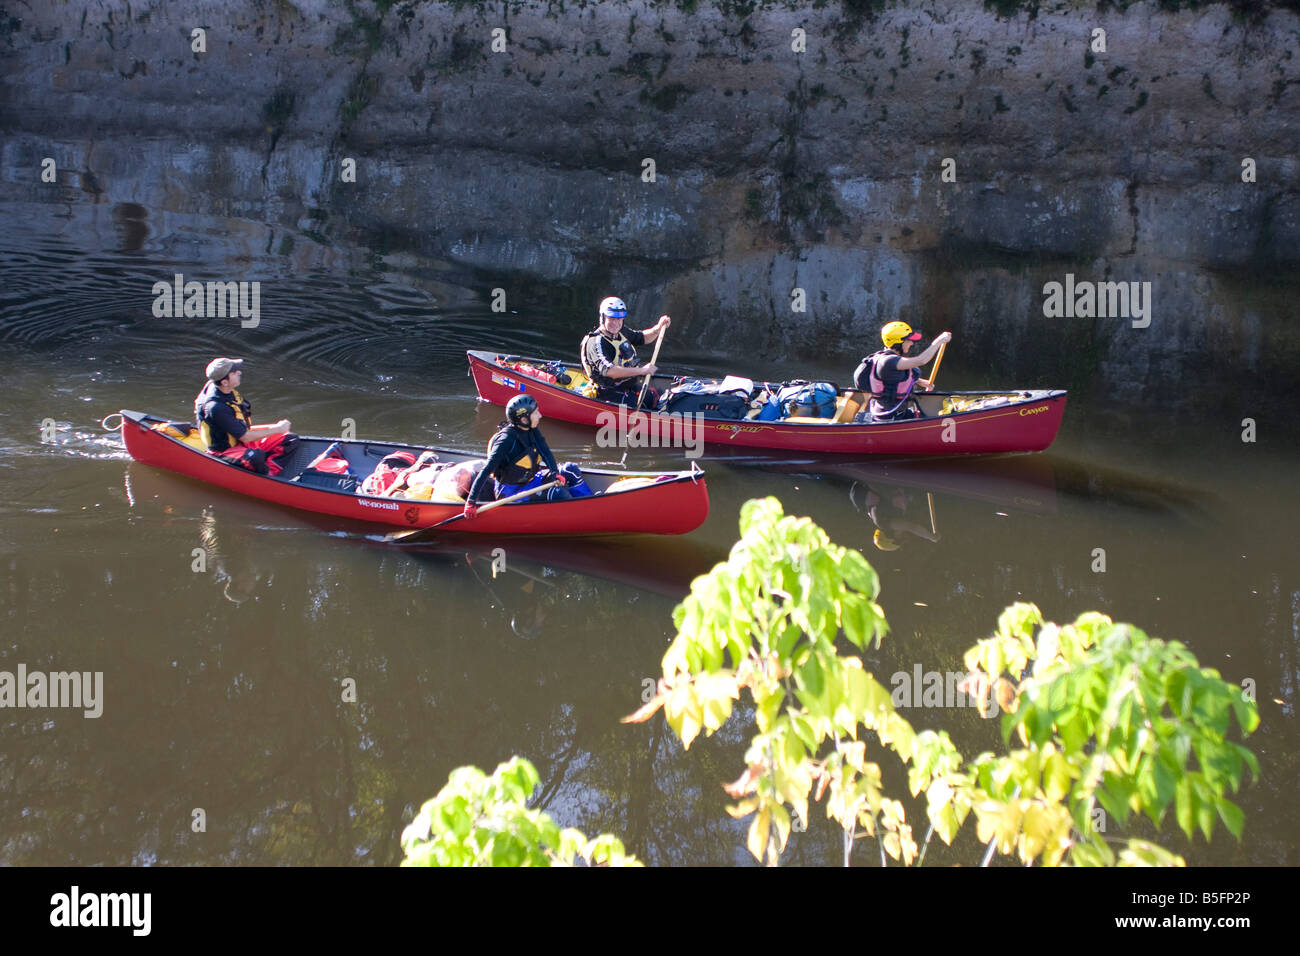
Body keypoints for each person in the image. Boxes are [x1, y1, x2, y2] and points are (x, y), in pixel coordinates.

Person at [463, 394, 593, 518]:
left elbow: (545, 452)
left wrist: (554, 473)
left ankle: (590, 506)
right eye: (536, 412)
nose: (540, 415)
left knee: (571, 469)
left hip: (531, 480)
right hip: (510, 492)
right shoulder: (506, 440)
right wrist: (471, 501)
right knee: (558, 493)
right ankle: (580, 516)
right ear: (524, 419)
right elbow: (487, 470)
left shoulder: (532, 430)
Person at [193, 357, 295, 474]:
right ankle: (266, 478)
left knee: (290, 438)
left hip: (239, 435)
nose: (239, 372)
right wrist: (277, 428)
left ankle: (270, 470)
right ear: (225, 382)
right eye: (234, 372)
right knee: (255, 457)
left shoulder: (219, 385)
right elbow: (245, 437)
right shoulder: (216, 407)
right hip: (224, 449)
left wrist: (279, 431)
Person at [579, 296, 671, 407]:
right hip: (607, 391)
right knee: (640, 406)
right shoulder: (596, 342)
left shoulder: (620, 331)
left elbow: (642, 338)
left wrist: (657, 329)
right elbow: (610, 371)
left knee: (656, 398)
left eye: (619, 319)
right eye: (611, 318)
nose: (615, 323)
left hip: (628, 385)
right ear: (603, 317)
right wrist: (642, 371)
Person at [853, 323, 952, 421]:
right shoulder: (889, 362)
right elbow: (921, 360)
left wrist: (919, 381)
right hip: (889, 417)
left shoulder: (885, 358)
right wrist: (939, 341)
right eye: (909, 340)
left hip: (897, 412)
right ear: (899, 342)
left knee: (922, 416)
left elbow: (892, 378)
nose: (912, 343)